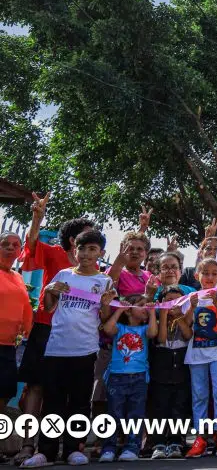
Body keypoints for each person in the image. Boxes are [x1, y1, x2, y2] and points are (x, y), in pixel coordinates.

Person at [22, 228, 115, 468]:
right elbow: (49, 307)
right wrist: (49, 291)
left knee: (80, 402)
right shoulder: (64, 275)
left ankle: (74, 449)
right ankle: (46, 452)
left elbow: (104, 318)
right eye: (82, 249)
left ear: (101, 253)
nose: (86, 254)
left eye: (92, 249)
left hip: (85, 350)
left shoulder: (103, 281)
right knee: (52, 401)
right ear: (75, 250)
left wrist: (106, 304)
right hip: (56, 348)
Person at [16, 193, 95, 466]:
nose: (90, 247)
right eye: (86, 238)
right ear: (73, 240)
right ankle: (30, 446)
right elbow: (31, 246)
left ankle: (72, 447)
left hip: (79, 337)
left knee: (75, 392)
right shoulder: (54, 253)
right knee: (37, 386)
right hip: (46, 328)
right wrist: (36, 219)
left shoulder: (95, 267)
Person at [183, 258, 217, 458]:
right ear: (197, 275)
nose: (210, 277)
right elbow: (185, 326)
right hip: (196, 354)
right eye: (205, 273)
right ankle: (201, 437)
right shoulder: (191, 297)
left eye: (214, 273)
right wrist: (191, 307)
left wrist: (216, 301)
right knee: (199, 394)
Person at [99, 294, 159, 462]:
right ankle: (108, 448)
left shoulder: (144, 329)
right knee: (114, 414)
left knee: (136, 414)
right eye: (141, 305)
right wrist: (119, 311)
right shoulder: (119, 327)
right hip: (116, 377)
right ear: (129, 311)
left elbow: (153, 333)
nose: (145, 307)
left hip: (139, 377)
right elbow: (108, 329)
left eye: (147, 305)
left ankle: (132, 447)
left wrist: (152, 313)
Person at [148, 285, 192, 459]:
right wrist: (164, 313)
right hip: (162, 368)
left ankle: (176, 442)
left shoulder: (185, 319)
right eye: (169, 301)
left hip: (181, 369)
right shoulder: (158, 321)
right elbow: (161, 339)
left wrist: (179, 315)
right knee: (160, 407)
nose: (173, 304)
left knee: (179, 407)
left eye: (177, 301)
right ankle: (158, 443)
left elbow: (187, 335)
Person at [0, 232, 33, 410]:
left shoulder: (18, 277)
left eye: (15, 245)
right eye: (5, 244)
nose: (11, 247)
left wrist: (27, 327)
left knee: (6, 390)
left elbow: (25, 306)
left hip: (8, 345)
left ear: (20, 251)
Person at [106, 231, 153, 296]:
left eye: (139, 249)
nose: (134, 252)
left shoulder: (149, 275)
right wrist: (118, 263)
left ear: (146, 254)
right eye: (131, 248)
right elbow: (105, 289)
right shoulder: (116, 270)